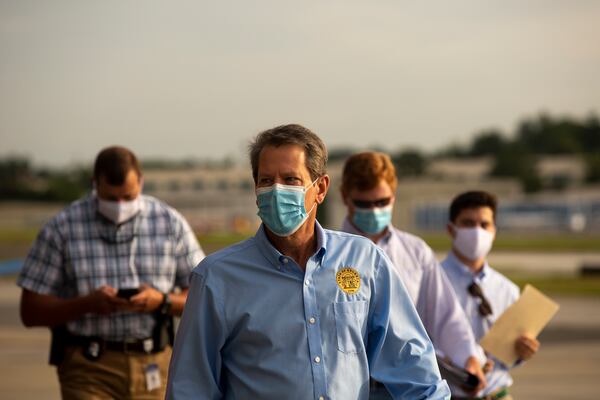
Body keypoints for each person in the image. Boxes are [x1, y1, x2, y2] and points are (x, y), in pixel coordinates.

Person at [166, 124, 450, 399]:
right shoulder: (217, 277)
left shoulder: (365, 260)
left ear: (321, 188)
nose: (276, 192)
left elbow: (412, 366)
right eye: (266, 181)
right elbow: (191, 386)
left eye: (291, 180)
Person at [18, 146, 205, 399]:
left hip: (153, 364)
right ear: (95, 185)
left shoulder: (169, 223)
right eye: (111, 198)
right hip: (88, 367)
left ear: (140, 181)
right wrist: (86, 304)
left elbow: (203, 295)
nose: (119, 206)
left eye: (128, 198)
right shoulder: (62, 227)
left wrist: (161, 301)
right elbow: (30, 311)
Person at [339, 152, 487, 397]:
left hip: (405, 387)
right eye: (364, 203)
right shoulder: (329, 251)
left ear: (394, 196)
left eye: (382, 202)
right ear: (346, 197)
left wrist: (469, 357)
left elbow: (446, 315)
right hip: (349, 387)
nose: (375, 210)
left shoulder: (415, 251)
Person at [441, 190, 540, 400]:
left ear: (494, 231)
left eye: (484, 225)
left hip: (496, 394)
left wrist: (523, 351)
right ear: (451, 229)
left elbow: (509, 357)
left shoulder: (507, 289)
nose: (477, 231)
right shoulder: (432, 282)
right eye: (468, 223)